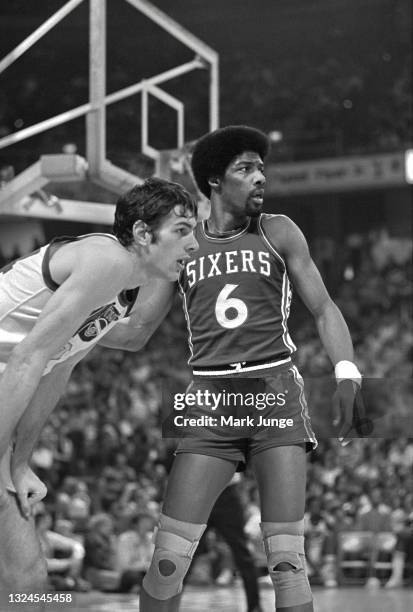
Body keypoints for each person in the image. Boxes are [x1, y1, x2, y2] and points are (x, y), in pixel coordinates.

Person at [137, 126, 363, 612]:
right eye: (246, 169)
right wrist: (68, 326)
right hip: (211, 400)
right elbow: (138, 330)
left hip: (274, 393)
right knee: (167, 562)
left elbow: (323, 308)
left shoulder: (279, 230)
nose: (260, 177)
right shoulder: (183, 243)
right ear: (215, 180)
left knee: (287, 564)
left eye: (262, 168)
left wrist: (347, 374)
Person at [0, 177, 198, 606]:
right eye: (182, 231)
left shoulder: (121, 293)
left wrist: (18, 463)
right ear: (144, 234)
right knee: (24, 578)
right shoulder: (105, 260)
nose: (194, 244)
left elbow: (58, 367)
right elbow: (27, 360)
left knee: (29, 584)